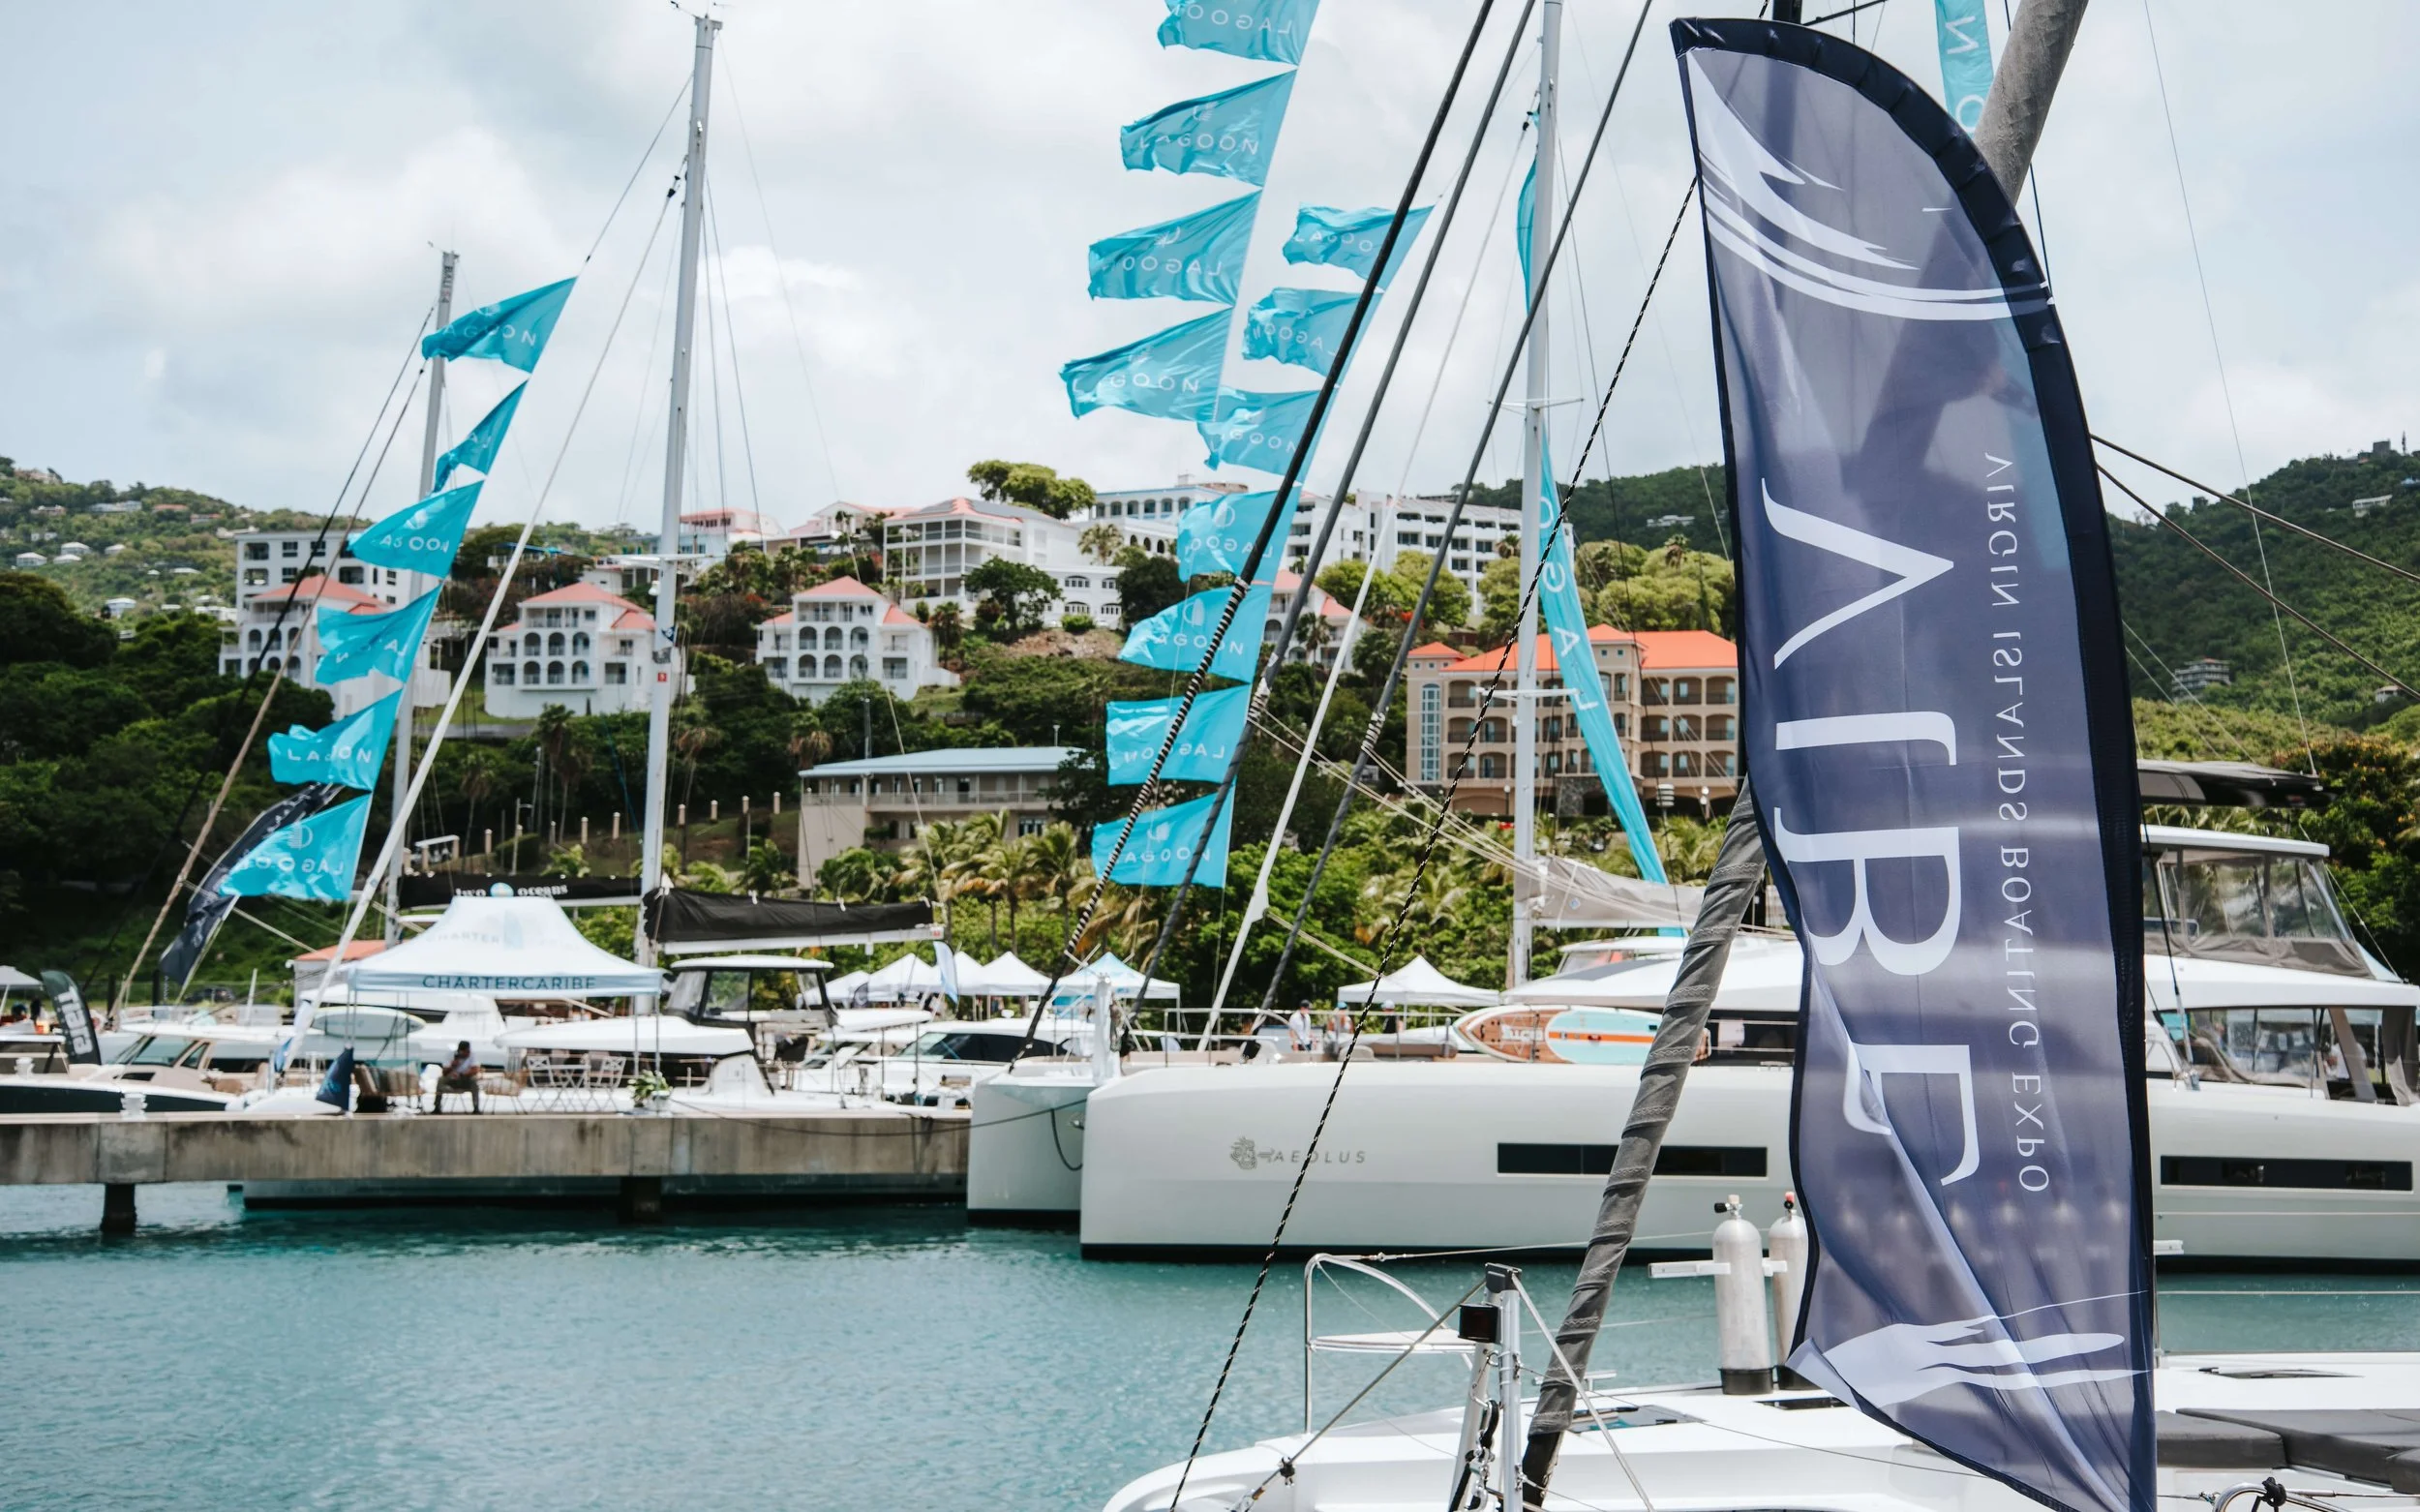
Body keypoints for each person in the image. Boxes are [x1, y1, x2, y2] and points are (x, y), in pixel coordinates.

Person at [434, 1041, 481, 1113]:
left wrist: (462, 1074)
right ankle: (437, 1106)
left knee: (474, 1080)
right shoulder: (450, 1055)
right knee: (441, 1080)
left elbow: (475, 1070)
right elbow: (444, 1072)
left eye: (468, 1051)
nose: (467, 1053)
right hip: (452, 1079)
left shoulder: (472, 1056)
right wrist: (452, 1066)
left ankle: (476, 1106)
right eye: (465, 1052)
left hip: (465, 1079)